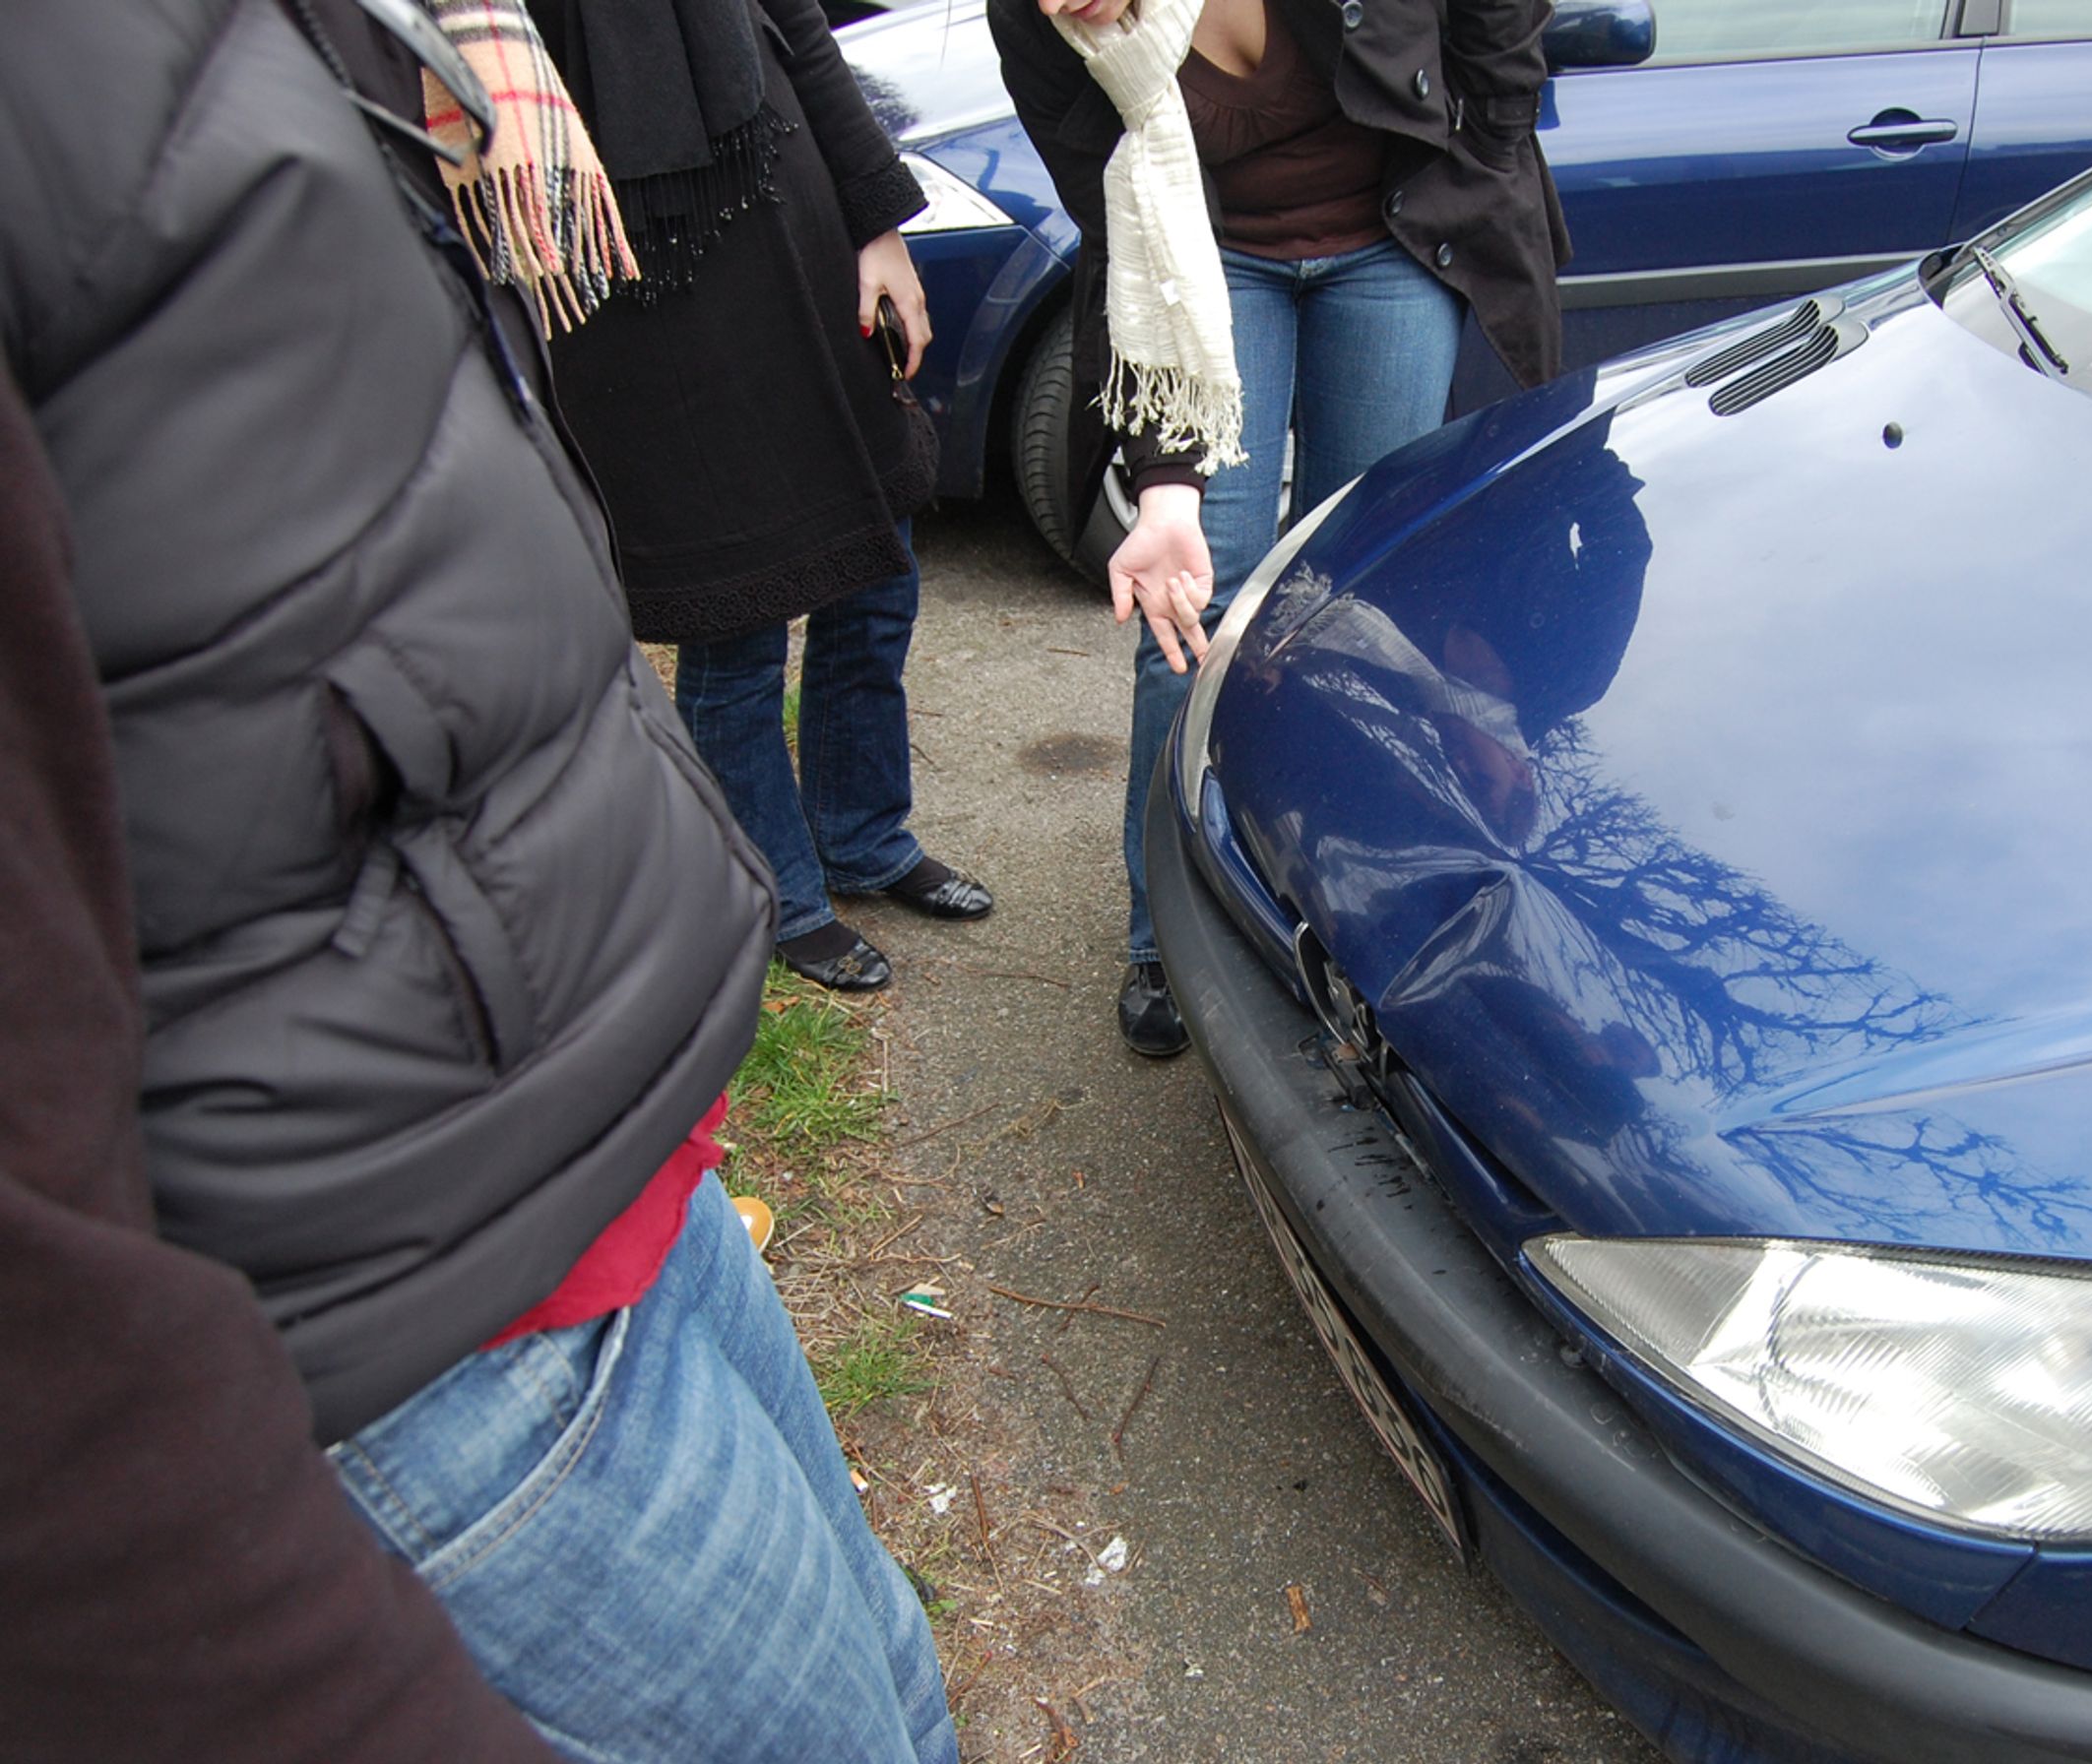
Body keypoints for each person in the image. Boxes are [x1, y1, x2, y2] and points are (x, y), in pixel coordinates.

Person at [0, 4, 953, 1760]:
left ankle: (845, 853)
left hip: (606, 1163)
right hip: (413, 1317)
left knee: (900, 1691)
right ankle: (803, 878)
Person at [987, 0, 1571, 1054]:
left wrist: (1480, 154)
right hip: (1205, 267)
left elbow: (1495, 22)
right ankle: (1166, 929)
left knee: (1356, 599)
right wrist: (1165, 485)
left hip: (1393, 234)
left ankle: (1351, 910)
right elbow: (1123, 230)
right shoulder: (1039, 18)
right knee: (1193, 613)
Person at [522, 0, 993, 994]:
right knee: (734, 610)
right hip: (628, 292)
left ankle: (863, 837)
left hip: (793, 220)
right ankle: (780, 890)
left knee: (879, 567)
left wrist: (878, 223)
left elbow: (802, 27)